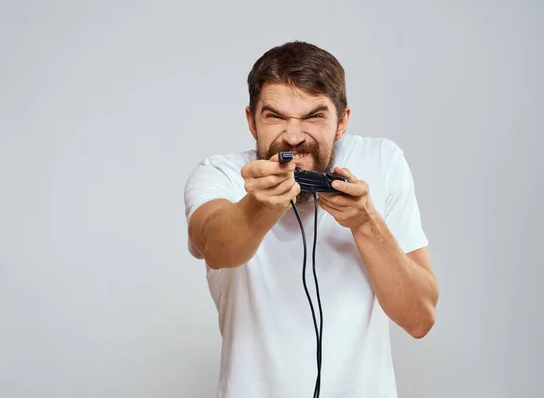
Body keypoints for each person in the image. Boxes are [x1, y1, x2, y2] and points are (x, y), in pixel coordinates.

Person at [183, 41, 439, 398]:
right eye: (275, 116)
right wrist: (262, 204)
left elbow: (420, 318)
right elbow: (216, 247)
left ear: (342, 122)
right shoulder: (219, 174)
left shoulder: (383, 161)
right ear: (251, 122)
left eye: (314, 116)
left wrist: (366, 224)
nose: (293, 136)